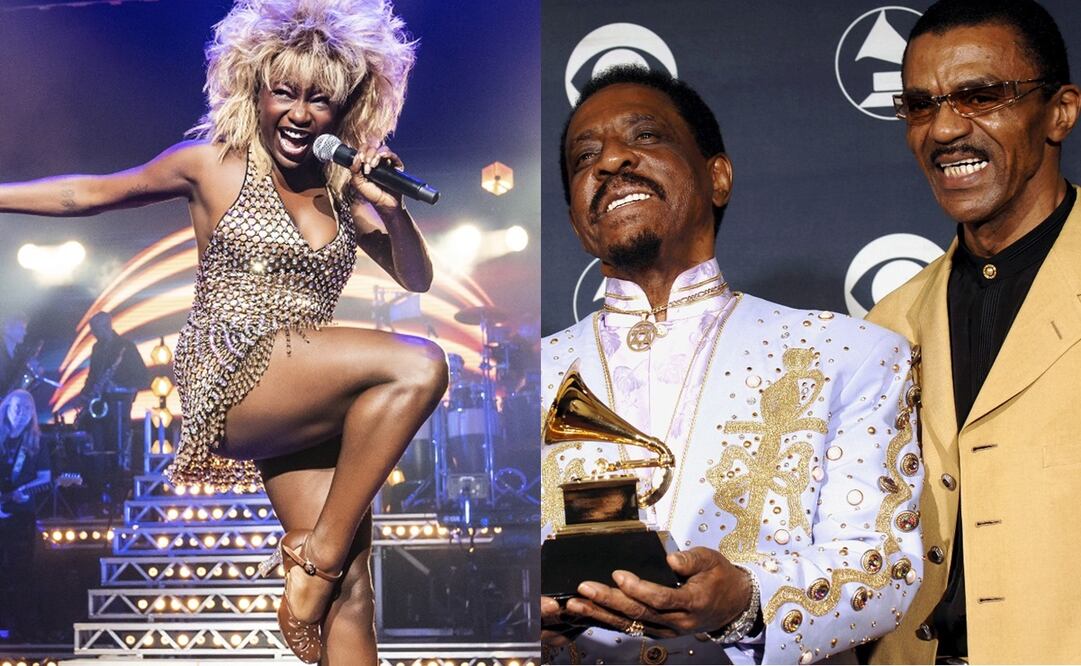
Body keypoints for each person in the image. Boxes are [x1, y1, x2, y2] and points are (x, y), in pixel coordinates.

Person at [0, 1, 448, 663]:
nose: (298, 114)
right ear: (256, 89)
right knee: (418, 364)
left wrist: (394, 210)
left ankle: (320, 568)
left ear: (343, 111)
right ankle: (313, 561)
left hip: (304, 396)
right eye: (284, 94)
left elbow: (415, 279)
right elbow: (87, 194)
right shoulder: (212, 163)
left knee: (353, 592)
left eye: (318, 101)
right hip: (234, 373)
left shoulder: (344, 189)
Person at [541, 65, 924, 665]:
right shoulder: (522, 377)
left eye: (645, 137)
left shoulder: (854, 354)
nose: (611, 161)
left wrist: (745, 602)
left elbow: (882, 568)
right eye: (585, 156)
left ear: (717, 178)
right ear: (576, 221)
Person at [867, 1, 1081, 663]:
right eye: (920, 105)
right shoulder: (885, 326)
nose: (942, 129)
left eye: (979, 96)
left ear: (1058, 112)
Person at [0, 390, 51, 640]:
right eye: (15, 407)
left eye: (25, 408)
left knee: (21, 571)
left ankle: (24, 628)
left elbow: (46, 477)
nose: (19, 413)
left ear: (31, 414)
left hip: (21, 514)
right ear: (6, 409)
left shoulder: (36, 442)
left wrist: (24, 492)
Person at [77, 311, 150, 467]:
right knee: (99, 445)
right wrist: (85, 394)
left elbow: (143, 378)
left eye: (96, 330)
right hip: (100, 403)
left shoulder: (126, 347)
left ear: (107, 326)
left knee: (117, 444)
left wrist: (117, 384)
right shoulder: (97, 348)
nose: (94, 334)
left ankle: (118, 474)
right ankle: (102, 477)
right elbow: (93, 376)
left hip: (119, 405)